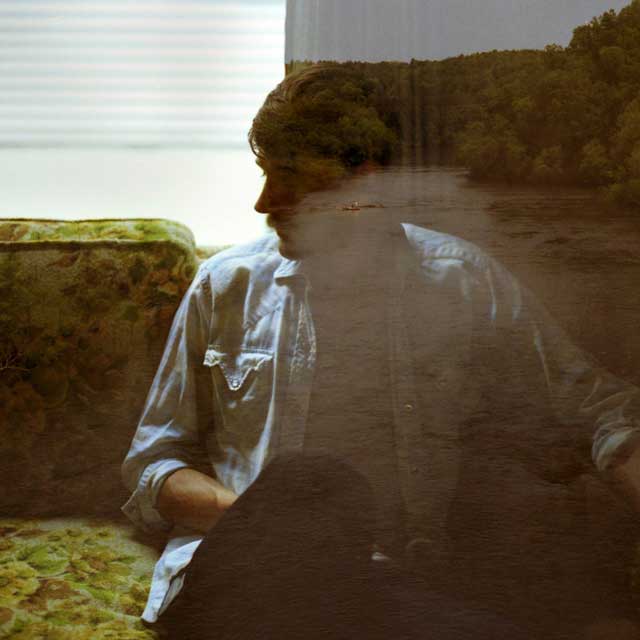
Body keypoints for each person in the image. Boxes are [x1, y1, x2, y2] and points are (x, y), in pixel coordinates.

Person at [120, 63, 640, 640]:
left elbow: (601, 410)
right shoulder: (225, 286)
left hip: (395, 586)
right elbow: (153, 464)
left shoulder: (462, 280)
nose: (264, 202)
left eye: (290, 177)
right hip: (252, 574)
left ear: (361, 185)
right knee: (313, 483)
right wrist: (270, 523)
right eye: (266, 174)